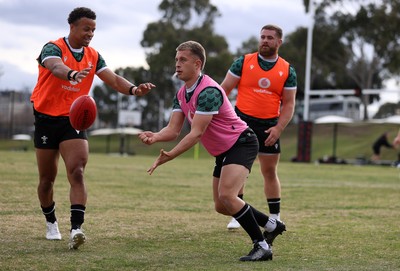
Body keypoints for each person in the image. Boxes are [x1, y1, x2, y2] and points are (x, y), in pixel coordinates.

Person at [139, 41, 282, 261]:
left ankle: (262, 246)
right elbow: (173, 129)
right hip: (224, 151)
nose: (177, 64)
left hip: (241, 142)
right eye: (176, 60)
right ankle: (272, 225)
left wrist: (170, 155)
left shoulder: (208, 92)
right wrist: (155, 136)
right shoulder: (181, 93)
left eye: (183, 60)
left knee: (227, 195)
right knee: (221, 205)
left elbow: (196, 133)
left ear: (197, 64)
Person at [30, 7, 156, 250]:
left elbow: (114, 79)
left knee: (76, 171)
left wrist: (134, 89)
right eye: (86, 28)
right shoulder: (52, 47)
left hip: (73, 121)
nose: (90, 33)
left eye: (94, 30)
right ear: (73, 27)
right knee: (47, 180)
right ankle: (50, 222)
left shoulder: (94, 55)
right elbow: (55, 67)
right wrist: (73, 75)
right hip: (46, 118)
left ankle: (76, 228)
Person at [221, 24, 296, 233]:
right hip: (241, 124)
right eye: (262, 37)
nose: (265, 40)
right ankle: (238, 214)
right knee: (239, 170)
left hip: (269, 127)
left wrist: (278, 128)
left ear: (279, 42)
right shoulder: (243, 62)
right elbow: (223, 90)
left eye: (270, 38)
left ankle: (275, 217)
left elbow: (289, 104)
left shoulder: (287, 70)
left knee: (269, 171)